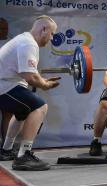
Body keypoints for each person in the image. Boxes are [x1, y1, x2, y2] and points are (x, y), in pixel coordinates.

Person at [0, 15, 60, 171]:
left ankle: (6, 150)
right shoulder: (28, 43)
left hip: (6, 84)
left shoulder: (24, 40)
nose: (52, 38)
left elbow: (29, 73)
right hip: (3, 86)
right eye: (52, 33)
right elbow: (31, 77)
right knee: (40, 107)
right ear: (43, 29)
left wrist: (42, 80)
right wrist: (44, 84)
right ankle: (24, 156)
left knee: (22, 111)